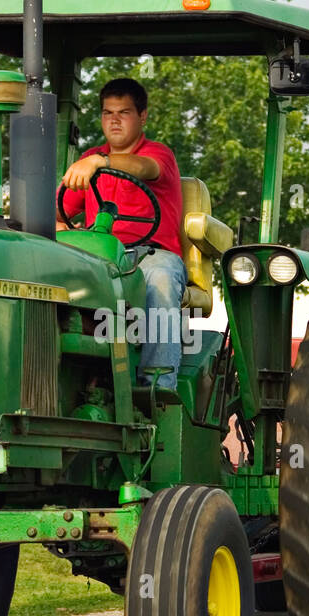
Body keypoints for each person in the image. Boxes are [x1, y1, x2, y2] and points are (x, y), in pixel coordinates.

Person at [58, 77, 187, 390]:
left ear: (142, 117)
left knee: (159, 280)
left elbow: (145, 169)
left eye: (124, 113)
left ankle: (157, 387)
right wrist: (59, 228)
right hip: (99, 256)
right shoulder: (89, 160)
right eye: (107, 113)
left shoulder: (157, 154)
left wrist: (99, 162)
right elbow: (58, 211)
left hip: (149, 254)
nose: (114, 120)